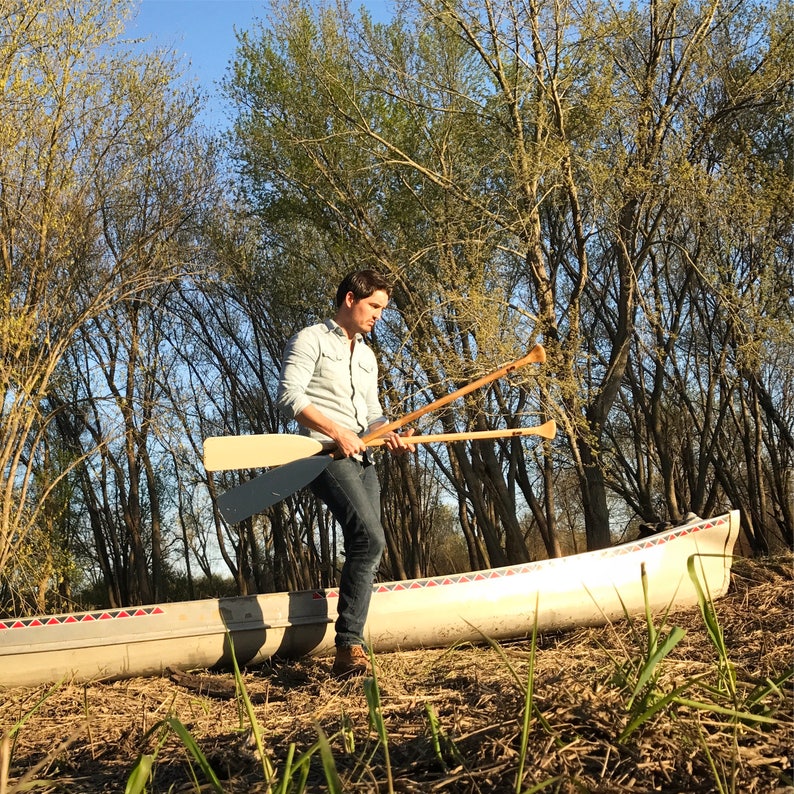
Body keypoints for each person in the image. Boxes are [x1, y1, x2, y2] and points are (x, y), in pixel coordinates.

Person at [276, 270, 414, 679]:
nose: (379, 315)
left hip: (363, 458)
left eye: (383, 309)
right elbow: (289, 396)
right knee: (370, 538)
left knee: (366, 546)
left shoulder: (368, 356)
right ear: (351, 299)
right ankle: (349, 644)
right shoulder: (310, 339)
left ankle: (351, 648)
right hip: (324, 456)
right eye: (374, 306)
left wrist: (389, 434)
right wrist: (337, 431)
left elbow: (372, 414)